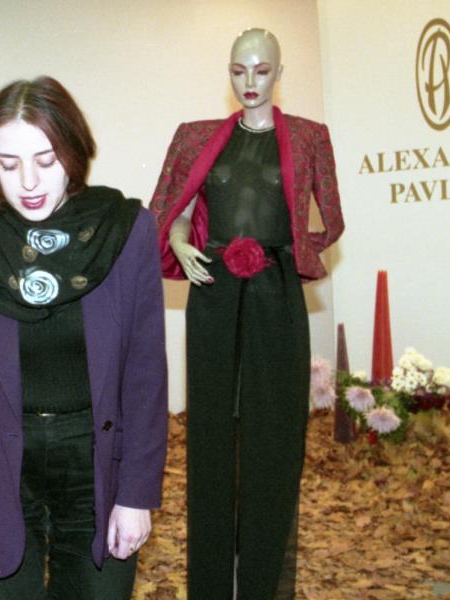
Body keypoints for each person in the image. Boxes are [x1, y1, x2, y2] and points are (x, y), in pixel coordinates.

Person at [0, 76, 169, 599]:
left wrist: (137, 494)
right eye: (9, 165)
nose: (28, 181)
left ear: (73, 151)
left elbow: (146, 374)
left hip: (97, 463)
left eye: (45, 160)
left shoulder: (123, 231)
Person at [150, 29, 344, 599]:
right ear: (229, 73)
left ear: (280, 73)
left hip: (274, 294)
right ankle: (211, 588)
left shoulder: (309, 136)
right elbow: (174, 204)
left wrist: (290, 252)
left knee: (275, 435)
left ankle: (262, 584)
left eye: (262, 70)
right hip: (213, 290)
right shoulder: (195, 137)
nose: (250, 82)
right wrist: (182, 239)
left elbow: (331, 218)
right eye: (239, 70)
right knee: (210, 434)